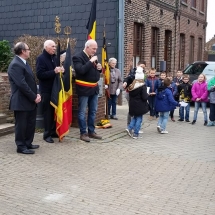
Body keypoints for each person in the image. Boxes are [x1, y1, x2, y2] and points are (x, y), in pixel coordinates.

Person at [8, 42, 41, 154]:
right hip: (21, 101)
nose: (30, 51)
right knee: (21, 125)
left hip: (29, 100)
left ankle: (28, 143)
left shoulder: (24, 63)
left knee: (30, 123)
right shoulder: (15, 64)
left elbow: (30, 82)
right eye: (28, 49)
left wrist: (37, 94)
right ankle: (21, 146)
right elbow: (22, 84)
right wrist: (33, 97)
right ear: (23, 51)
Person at [72, 39, 102, 142]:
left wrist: (99, 68)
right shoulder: (78, 57)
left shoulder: (92, 57)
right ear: (87, 47)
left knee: (93, 111)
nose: (95, 51)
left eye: (96, 49)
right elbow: (81, 70)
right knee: (82, 112)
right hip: (84, 88)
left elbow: (94, 71)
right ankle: (83, 133)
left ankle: (91, 131)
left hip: (94, 88)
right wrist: (91, 61)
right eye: (93, 49)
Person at [36, 40, 65, 143]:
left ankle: (53, 131)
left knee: (54, 111)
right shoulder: (41, 58)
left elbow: (57, 71)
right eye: (52, 46)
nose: (54, 48)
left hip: (55, 89)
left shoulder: (54, 58)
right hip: (46, 90)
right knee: (47, 112)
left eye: (54, 46)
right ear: (46, 47)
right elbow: (40, 75)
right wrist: (54, 71)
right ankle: (46, 134)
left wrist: (62, 70)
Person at [125, 67, 149, 139]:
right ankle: (136, 133)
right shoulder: (142, 86)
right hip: (140, 104)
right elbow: (144, 97)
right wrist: (148, 94)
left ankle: (129, 128)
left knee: (135, 117)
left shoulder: (132, 85)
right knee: (139, 119)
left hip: (132, 104)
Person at [123, 61, 146, 125]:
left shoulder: (143, 73)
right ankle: (130, 124)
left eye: (143, 67)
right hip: (131, 93)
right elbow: (128, 78)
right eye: (141, 66)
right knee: (132, 109)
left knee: (138, 109)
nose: (142, 68)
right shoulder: (133, 72)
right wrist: (125, 82)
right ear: (137, 65)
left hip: (139, 93)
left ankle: (136, 126)